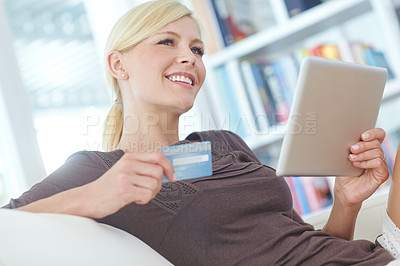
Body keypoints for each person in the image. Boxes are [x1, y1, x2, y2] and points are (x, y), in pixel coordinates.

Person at [2, 0, 399, 265]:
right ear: (118, 64)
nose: (188, 58)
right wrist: (95, 194)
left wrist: (346, 202)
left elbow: (305, 247)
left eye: (197, 50)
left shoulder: (224, 142)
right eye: (167, 41)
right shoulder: (99, 169)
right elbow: (8, 224)